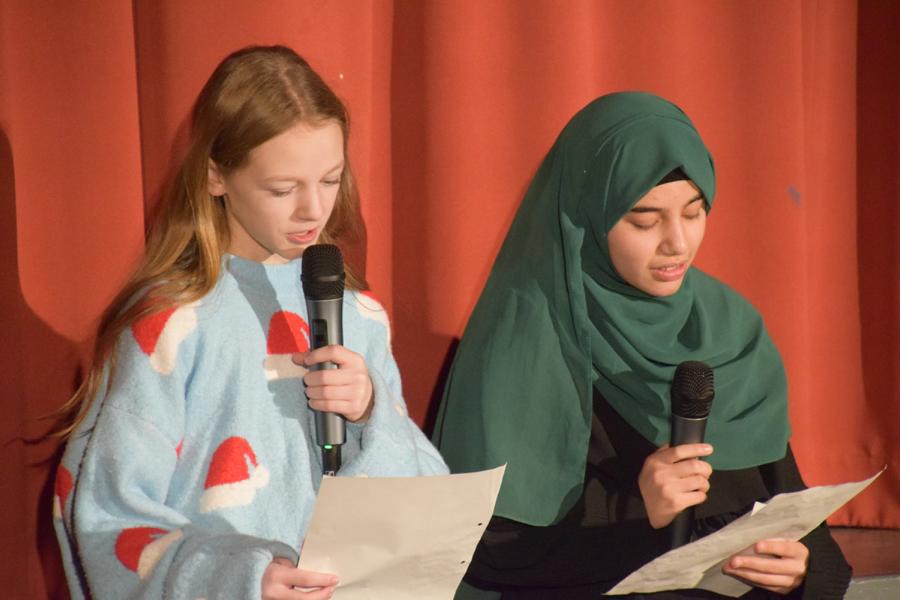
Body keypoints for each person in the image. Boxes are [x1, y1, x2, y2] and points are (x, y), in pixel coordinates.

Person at [51, 45, 448, 600]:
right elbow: (109, 516)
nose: (313, 210)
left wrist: (371, 413)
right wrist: (239, 578)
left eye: (330, 180)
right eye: (283, 189)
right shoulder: (171, 323)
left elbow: (427, 506)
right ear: (217, 176)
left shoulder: (359, 318)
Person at [433, 92, 851, 599]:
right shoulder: (522, 344)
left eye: (694, 213)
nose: (677, 243)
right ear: (586, 220)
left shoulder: (730, 329)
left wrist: (804, 569)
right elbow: (487, 547)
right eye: (645, 221)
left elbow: (795, 512)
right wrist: (637, 510)